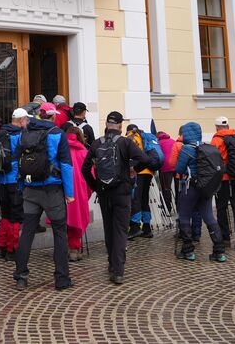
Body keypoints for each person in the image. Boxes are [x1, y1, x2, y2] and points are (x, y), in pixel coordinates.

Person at [81, 111, 149, 284]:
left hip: (104, 191)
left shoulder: (97, 143)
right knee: (120, 230)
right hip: (122, 192)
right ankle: (118, 271)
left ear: (106, 124)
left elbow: (85, 168)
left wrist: (95, 186)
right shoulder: (126, 142)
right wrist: (133, 170)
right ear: (120, 126)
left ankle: (112, 264)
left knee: (109, 228)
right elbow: (144, 159)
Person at [13, 111, 75, 291]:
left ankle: (21, 277)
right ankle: (62, 279)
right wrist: (69, 193)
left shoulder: (24, 134)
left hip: (30, 190)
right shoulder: (57, 134)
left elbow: (16, 162)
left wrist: (21, 185)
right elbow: (66, 165)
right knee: (60, 233)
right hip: (52, 190)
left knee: (26, 233)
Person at [174, 121, 226, 263]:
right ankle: (219, 252)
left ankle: (188, 251)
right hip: (206, 188)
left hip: (190, 187)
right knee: (209, 217)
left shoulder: (186, 149)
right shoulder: (207, 147)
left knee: (184, 216)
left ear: (186, 134)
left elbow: (178, 169)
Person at [0, 108, 28, 260]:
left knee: (5, 213)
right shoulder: (19, 135)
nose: (27, 123)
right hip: (15, 179)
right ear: (21, 120)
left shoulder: (2, 133)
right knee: (16, 214)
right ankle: (12, 249)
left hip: (2, 179)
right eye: (26, 120)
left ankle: (1, 246)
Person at [212, 116, 235, 251]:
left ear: (217, 127)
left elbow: (213, 160)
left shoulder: (216, 140)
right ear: (228, 126)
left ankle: (225, 238)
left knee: (222, 208)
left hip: (224, 179)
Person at [61, 122, 91, 261]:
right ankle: (74, 248)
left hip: (62, 190)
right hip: (79, 191)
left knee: (63, 219)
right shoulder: (84, 152)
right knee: (77, 217)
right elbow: (90, 174)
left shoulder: (61, 150)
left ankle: (65, 247)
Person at [126, 124, 155, 239]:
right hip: (149, 172)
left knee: (136, 199)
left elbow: (131, 157)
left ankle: (135, 227)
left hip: (138, 171)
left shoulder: (131, 137)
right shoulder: (144, 137)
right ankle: (147, 228)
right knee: (144, 199)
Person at [157, 130, 176, 217]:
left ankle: (167, 209)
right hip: (177, 166)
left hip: (165, 168)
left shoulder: (158, 143)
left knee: (166, 188)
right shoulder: (173, 141)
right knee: (178, 188)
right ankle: (179, 208)